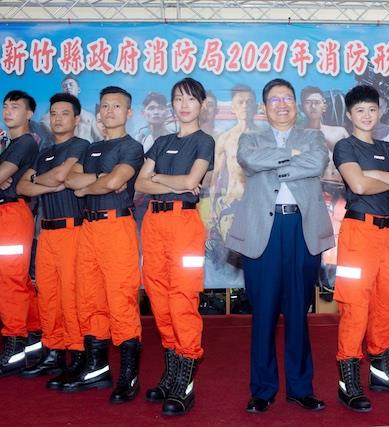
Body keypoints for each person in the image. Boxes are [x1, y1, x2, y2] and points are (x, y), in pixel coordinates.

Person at [225, 78, 334, 413]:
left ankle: (301, 388)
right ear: (264, 107)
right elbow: (250, 161)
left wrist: (274, 161)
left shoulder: (313, 137)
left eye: (287, 98)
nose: (282, 104)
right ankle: (262, 390)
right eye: (275, 100)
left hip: (301, 228)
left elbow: (316, 163)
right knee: (264, 314)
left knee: (299, 312)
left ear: (295, 104)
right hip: (264, 231)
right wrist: (292, 157)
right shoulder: (250, 138)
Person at [333, 85, 389, 412]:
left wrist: (376, 174)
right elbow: (358, 184)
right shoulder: (345, 146)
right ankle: (349, 380)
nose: (367, 116)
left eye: (372, 109)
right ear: (349, 115)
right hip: (358, 234)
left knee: (385, 302)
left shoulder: (387, 147)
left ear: (379, 112)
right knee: (355, 306)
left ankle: (381, 369)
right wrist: (388, 178)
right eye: (360, 111)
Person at [135, 77, 214, 416]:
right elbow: (140, 183)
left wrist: (160, 179)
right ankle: (171, 371)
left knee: (183, 298)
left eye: (191, 99)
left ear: (202, 105)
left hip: (184, 224)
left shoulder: (204, 141)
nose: (184, 105)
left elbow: (191, 181)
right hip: (154, 223)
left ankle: (185, 379)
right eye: (179, 99)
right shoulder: (161, 141)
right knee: (158, 296)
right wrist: (172, 183)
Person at [64, 86, 143, 403]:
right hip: (88, 229)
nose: (110, 111)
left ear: (129, 113)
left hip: (116, 227)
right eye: (105, 106)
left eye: (117, 106)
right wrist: (99, 182)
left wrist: (89, 186)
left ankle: (129, 376)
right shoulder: (91, 148)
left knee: (120, 299)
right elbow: (71, 179)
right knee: (89, 298)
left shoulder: (132, 147)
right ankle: (97, 369)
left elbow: (114, 181)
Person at [16, 93, 90, 385]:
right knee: (47, 294)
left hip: (73, 230)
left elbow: (62, 175)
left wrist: (41, 181)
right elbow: (23, 187)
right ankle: (54, 352)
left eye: (64, 113)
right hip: (46, 233)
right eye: (54, 113)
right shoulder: (43, 152)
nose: (58, 118)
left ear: (76, 118)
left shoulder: (81, 146)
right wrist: (47, 183)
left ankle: (78, 354)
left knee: (72, 296)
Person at [0, 90, 42, 379]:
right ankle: (35, 337)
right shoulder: (12, 144)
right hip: (7, 214)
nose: (7, 111)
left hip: (13, 213)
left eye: (15, 107)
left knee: (10, 281)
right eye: (5, 106)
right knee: (19, 280)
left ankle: (15, 343)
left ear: (29, 113)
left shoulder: (25, 142)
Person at [210, 85, 258, 235]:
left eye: (249, 102)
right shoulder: (225, 138)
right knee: (230, 247)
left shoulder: (265, 138)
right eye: (240, 102)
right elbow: (215, 177)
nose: (245, 106)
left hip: (258, 205)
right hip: (232, 203)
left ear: (255, 107)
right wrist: (212, 208)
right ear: (233, 107)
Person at [42, 75, 102, 143]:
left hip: (86, 148)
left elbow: (99, 138)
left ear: (78, 89)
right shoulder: (51, 115)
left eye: (71, 84)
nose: (68, 87)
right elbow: (43, 127)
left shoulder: (89, 116)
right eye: (65, 86)